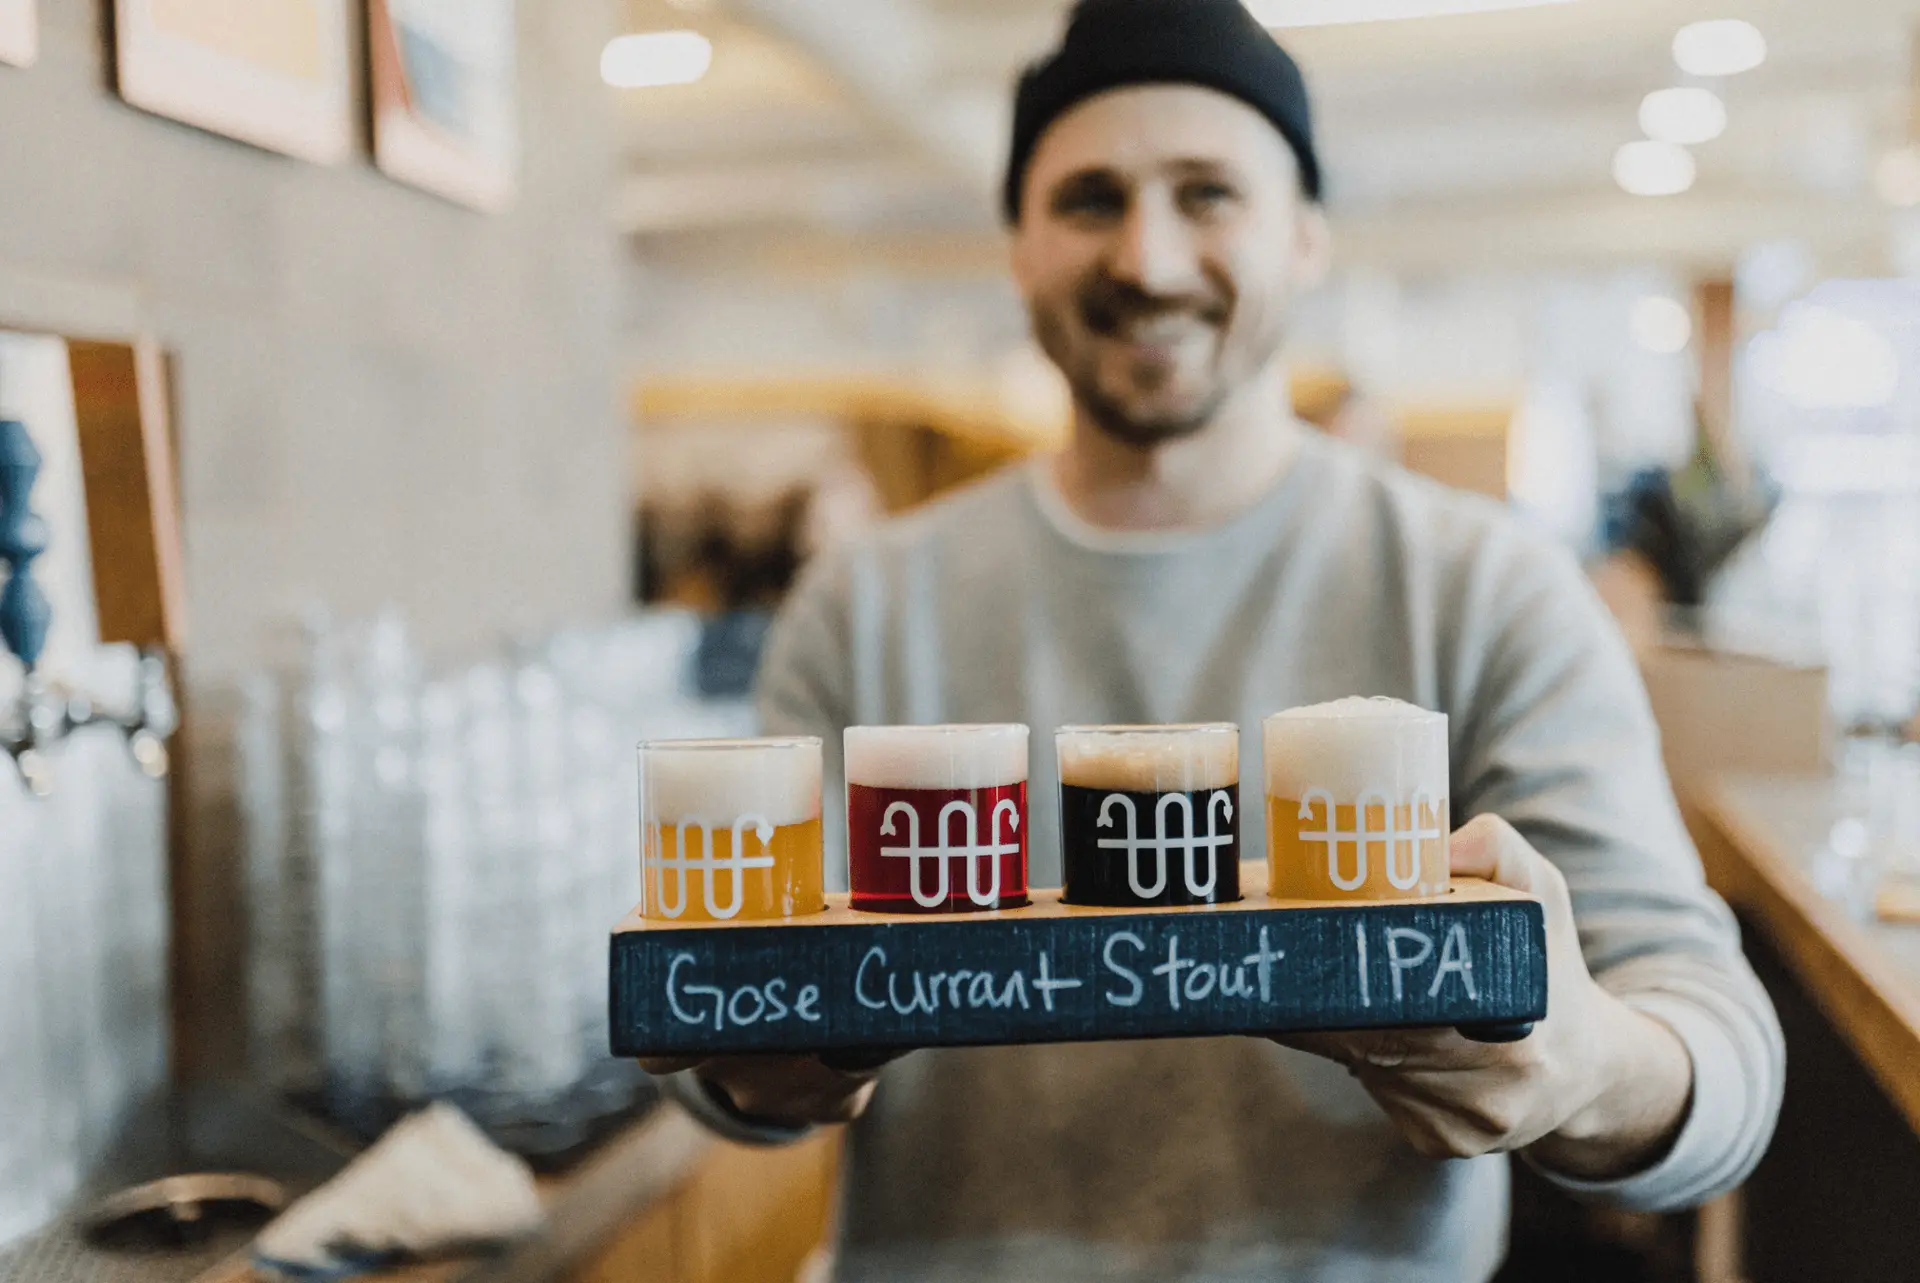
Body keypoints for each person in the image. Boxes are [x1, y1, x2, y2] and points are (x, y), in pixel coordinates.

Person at [646, 2, 1784, 1278]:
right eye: (1088, 198)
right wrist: (752, 1065)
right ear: (1016, 245)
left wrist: (1586, 1065)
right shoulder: (863, 602)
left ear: (1305, 238)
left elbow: (1718, 1049)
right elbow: (713, 1048)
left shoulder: (1483, 586)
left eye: (1208, 193)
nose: (1148, 255)